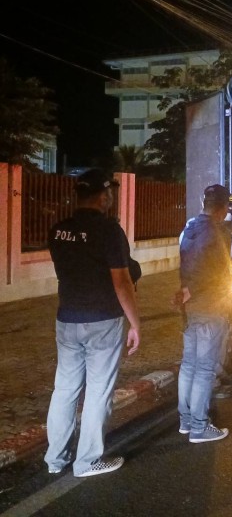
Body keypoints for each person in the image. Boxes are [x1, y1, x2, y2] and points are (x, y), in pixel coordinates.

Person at [44, 168, 141, 478]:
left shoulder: (58, 230)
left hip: (67, 320)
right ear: (103, 197)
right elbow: (122, 282)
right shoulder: (109, 231)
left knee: (65, 390)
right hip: (102, 321)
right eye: (109, 192)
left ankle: (55, 458)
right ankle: (87, 462)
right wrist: (135, 323)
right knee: (98, 392)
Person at [177, 184, 232, 442]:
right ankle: (200, 427)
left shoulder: (189, 228)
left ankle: (186, 420)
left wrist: (187, 291)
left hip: (189, 307)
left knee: (188, 364)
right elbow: (216, 272)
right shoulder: (219, 232)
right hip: (211, 306)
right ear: (223, 208)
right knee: (204, 369)